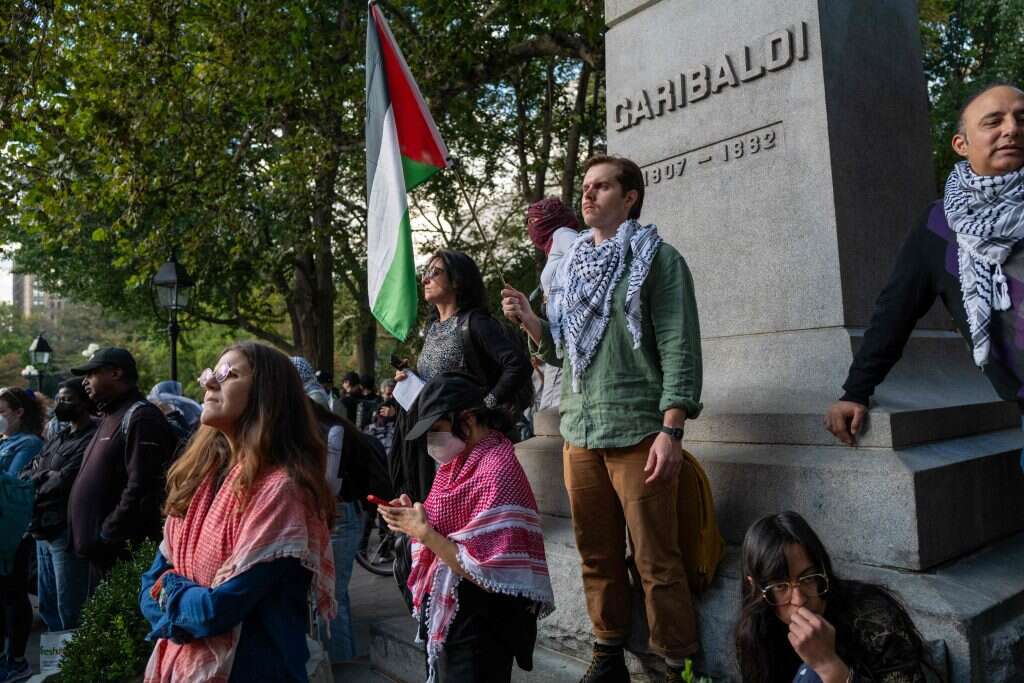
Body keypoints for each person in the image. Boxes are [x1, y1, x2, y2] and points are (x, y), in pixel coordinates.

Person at [501, 154, 704, 682]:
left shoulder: (658, 259)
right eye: (586, 187)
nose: (587, 195)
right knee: (595, 553)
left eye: (602, 187)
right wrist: (531, 321)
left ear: (629, 197)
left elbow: (680, 347)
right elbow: (565, 352)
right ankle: (608, 650)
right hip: (579, 433)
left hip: (639, 431)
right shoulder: (570, 268)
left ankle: (677, 663)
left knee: (656, 558)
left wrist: (672, 429)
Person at [825, 83, 1024, 457]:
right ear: (961, 144)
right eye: (993, 121)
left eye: (1021, 119)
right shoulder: (939, 226)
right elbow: (894, 313)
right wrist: (855, 391)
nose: (1011, 129)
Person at [139, 342, 336, 682]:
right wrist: (178, 600)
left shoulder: (281, 491)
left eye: (227, 374)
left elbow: (217, 611)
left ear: (267, 393)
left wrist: (168, 588)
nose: (208, 382)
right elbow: (146, 588)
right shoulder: (200, 479)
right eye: (210, 373)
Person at [379, 372, 554, 683]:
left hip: (482, 631)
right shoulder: (457, 464)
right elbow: (442, 524)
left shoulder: (497, 470)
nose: (432, 441)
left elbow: (490, 570)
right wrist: (410, 518)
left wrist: (424, 533)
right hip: (455, 623)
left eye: (436, 429)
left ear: (468, 419)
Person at [392, 250, 533, 503]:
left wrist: (487, 403)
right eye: (425, 273)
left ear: (457, 280)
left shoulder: (475, 323)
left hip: (472, 442)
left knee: (472, 512)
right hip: (438, 442)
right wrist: (410, 378)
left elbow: (518, 365)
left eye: (435, 272)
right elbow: (437, 381)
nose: (425, 279)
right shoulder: (431, 328)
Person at [736, 511, 932, 682]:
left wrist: (829, 666)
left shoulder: (873, 616)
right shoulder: (756, 631)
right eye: (780, 586)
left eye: (808, 578)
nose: (799, 599)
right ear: (756, 588)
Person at [67, 347, 178, 578]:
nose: (85, 381)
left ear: (116, 373)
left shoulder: (141, 416)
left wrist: (108, 533)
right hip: (98, 554)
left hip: (118, 554)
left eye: (92, 374)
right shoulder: (110, 415)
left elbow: (142, 486)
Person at [291, 356, 361, 664]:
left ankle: (339, 664)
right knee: (333, 594)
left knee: (331, 595)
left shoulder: (313, 406)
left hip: (335, 511)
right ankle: (340, 659)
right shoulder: (321, 402)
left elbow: (327, 476)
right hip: (337, 510)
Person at [26, 379, 97, 633]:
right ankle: (55, 654)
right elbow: (29, 470)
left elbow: (64, 479)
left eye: (67, 399)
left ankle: (74, 652)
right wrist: (43, 475)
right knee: (49, 603)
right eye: (58, 399)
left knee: (70, 603)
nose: (60, 404)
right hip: (42, 528)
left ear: (85, 403)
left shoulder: (92, 437)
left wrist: (40, 476)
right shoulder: (59, 436)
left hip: (64, 529)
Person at [0, 387, 45, 683]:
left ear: (19, 413)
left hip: (15, 531)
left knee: (13, 593)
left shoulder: (29, 443)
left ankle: (17, 660)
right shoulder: (6, 441)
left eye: (1, 411)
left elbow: (15, 484)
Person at [527, 196, 582, 411]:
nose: (530, 228)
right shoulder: (554, 245)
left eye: (533, 221)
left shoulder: (563, 234)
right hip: (559, 336)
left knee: (552, 411)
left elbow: (583, 262)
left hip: (569, 335)